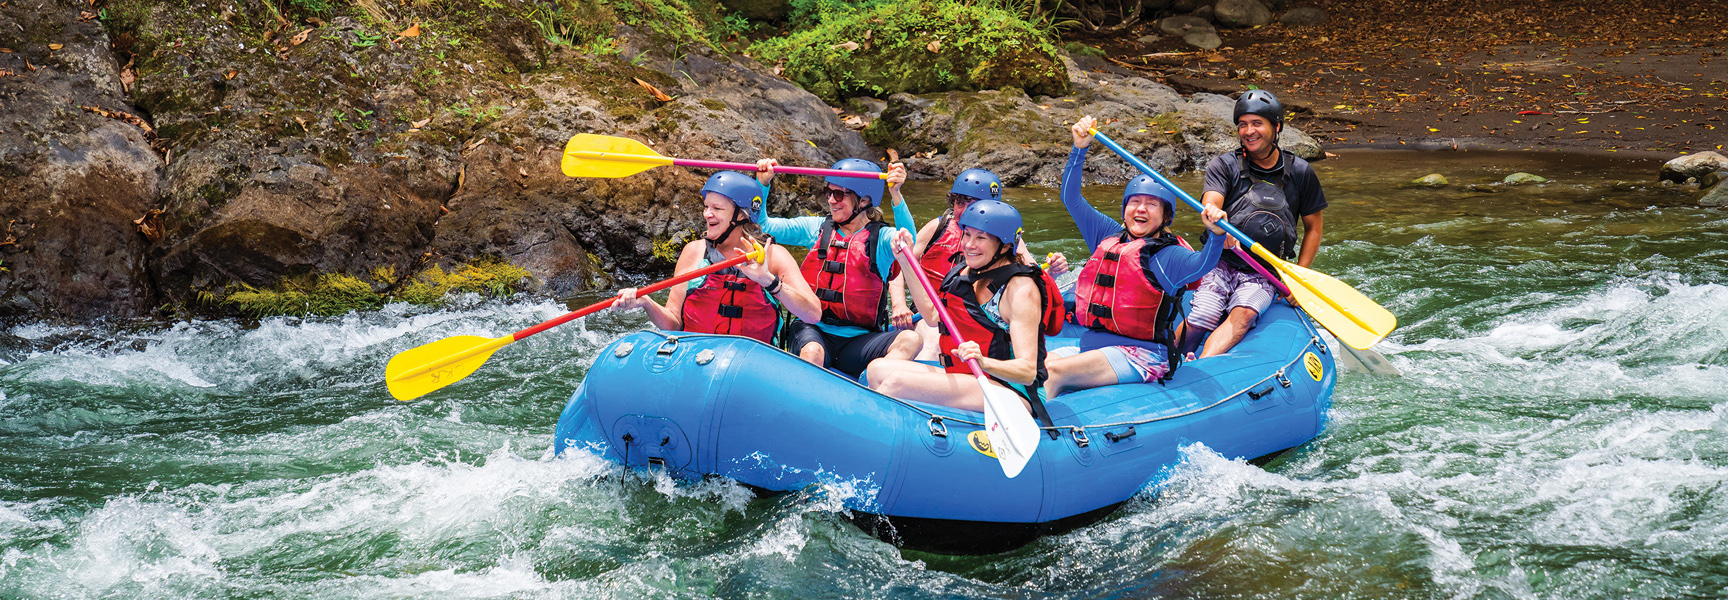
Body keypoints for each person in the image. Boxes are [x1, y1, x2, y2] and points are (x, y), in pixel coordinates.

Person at [1044, 116, 1229, 396]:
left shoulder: (1169, 255)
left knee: (1053, 372)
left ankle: (1037, 435)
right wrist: (1079, 148)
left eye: (1151, 204)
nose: (1141, 209)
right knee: (1033, 367)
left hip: (1142, 355)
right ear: (1125, 209)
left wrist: (1216, 234)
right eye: (1135, 202)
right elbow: (1071, 198)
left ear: (1166, 216)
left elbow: (1202, 265)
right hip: (1094, 346)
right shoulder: (1107, 235)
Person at [1180, 89, 1329, 359]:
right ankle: (1169, 361)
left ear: (1277, 127)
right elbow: (1211, 202)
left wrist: (1300, 280)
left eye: (1257, 123)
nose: (1249, 131)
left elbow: (1314, 228)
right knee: (1203, 313)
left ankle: (1200, 368)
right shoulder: (1224, 165)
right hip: (1220, 260)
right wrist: (1216, 220)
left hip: (1264, 270)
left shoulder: (1300, 172)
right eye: (1243, 124)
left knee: (1245, 314)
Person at [865, 200, 1054, 412]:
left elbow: (1027, 371)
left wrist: (984, 362)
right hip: (970, 376)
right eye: (967, 234)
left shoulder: (1020, 290)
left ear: (1006, 245)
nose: (969, 245)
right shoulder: (964, 272)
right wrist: (905, 261)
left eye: (981, 238)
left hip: (1012, 389)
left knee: (896, 383)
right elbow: (932, 316)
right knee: (877, 370)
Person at [752, 157, 921, 378]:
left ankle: (874, 386)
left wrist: (896, 194)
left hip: (860, 341)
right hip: (813, 331)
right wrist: (762, 184)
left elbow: (908, 243)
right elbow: (762, 226)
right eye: (829, 192)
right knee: (813, 352)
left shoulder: (880, 238)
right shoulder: (815, 229)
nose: (831, 200)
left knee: (911, 339)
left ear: (864, 200)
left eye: (839, 194)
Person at [612, 171, 821, 345]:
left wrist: (767, 280)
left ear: (741, 216)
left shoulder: (773, 256)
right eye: (706, 206)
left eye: (717, 209)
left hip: (750, 364)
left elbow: (813, 314)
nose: (707, 214)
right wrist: (646, 303)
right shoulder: (694, 252)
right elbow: (674, 323)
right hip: (696, 355)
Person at [886, 168, 1068, 360]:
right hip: (930, 312)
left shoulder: (1005, 239)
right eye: (959, 203)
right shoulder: (936, 228)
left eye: (973, 204)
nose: (965, 211)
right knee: (934, 340)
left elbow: (1034, 280)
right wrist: (899, 305)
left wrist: (1053, 272)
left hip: (975, 313)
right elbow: (899, 266)